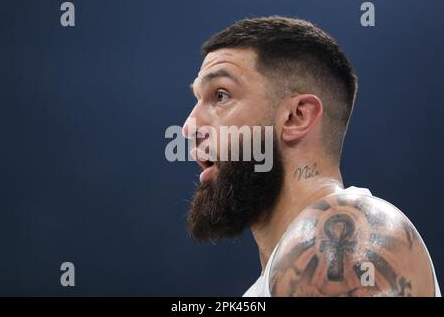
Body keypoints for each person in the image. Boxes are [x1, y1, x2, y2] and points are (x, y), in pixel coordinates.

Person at [182, 16, 441, 296]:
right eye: (197, 99)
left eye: (221, 96)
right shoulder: (266, 284)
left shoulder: (349, 238)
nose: (189, 126)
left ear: (296, 117)